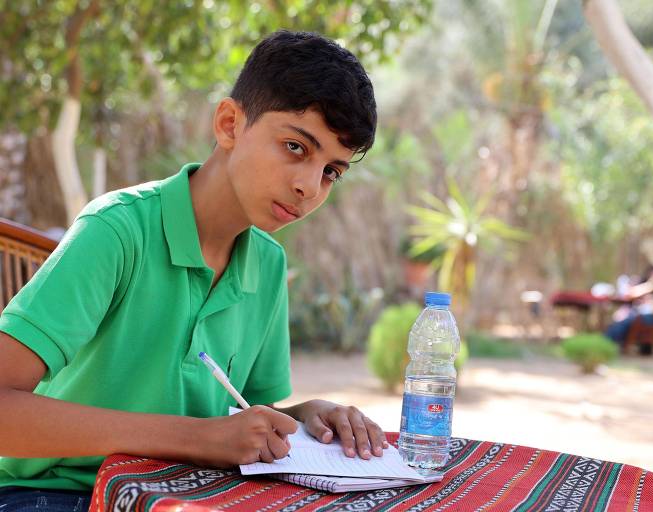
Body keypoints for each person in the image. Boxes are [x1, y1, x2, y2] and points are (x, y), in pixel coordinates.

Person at [0, 30, 386, 510]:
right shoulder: (117, 232)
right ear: (229, 124)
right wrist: (197, 438)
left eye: (331, 171)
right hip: (54, 494)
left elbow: (238, 415)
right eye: (295, 147)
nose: (310, 185)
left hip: (183, 495)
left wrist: (304, 415)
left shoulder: (267, 265)